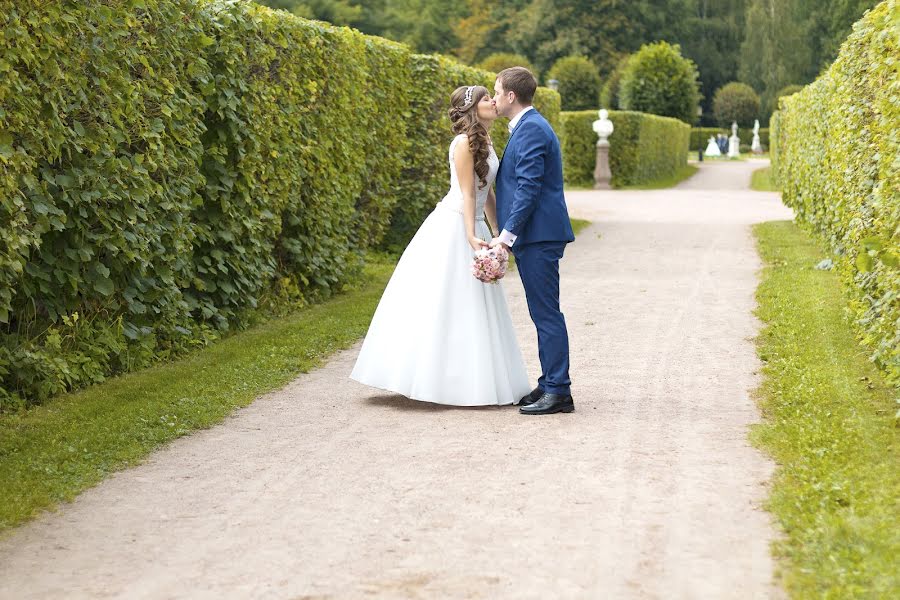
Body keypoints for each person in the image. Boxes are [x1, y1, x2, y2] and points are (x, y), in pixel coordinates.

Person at [350, 85, 531, 407]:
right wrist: (469, 236)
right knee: (446, 300)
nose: (493, 101)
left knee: (475, 304)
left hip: (473, 223)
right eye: (485, 98)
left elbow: (486, 193)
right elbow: (466, 194)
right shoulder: (463, 143)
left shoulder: (488, 142)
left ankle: (472, 379)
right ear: (473, 108)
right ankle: (432, 379)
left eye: (493, 95)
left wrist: (499, 235)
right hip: (454, 224)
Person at [490, 67, 576, 416]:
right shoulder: (528, 127)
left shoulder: (531, 130)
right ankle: (549, 382)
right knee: (542, 312)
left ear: (511, 96)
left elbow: (528, 188)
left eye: (497, 92)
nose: (494, 99)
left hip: (538, 235)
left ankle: (558, 391)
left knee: (546, 313)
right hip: (537, 235)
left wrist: (505, 238)